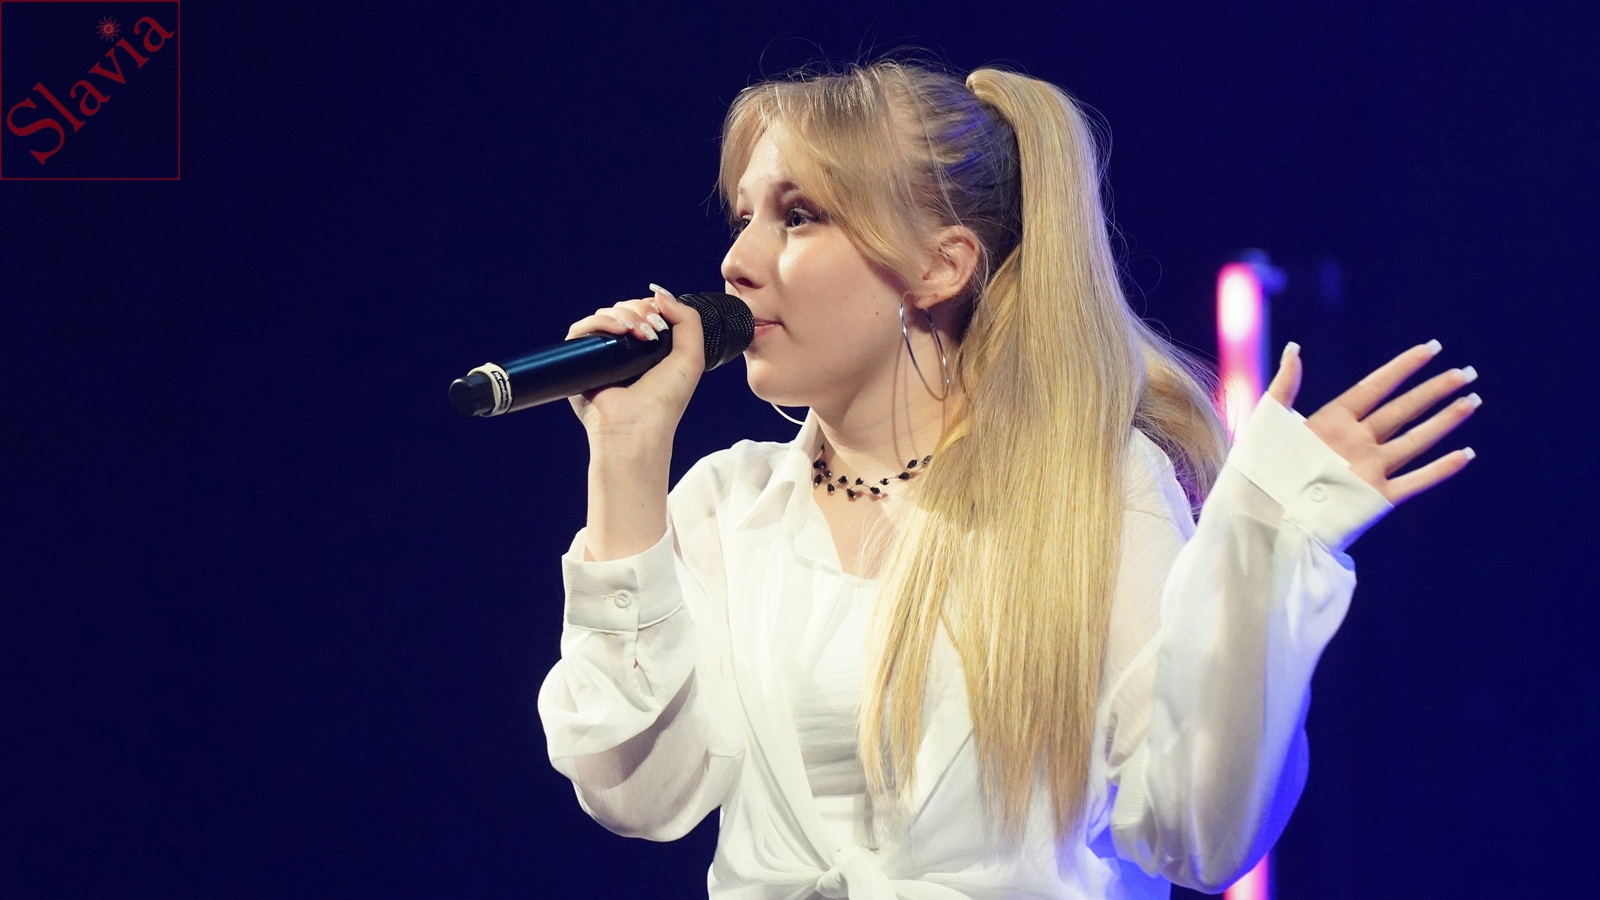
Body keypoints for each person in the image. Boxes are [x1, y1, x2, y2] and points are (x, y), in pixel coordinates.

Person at [536, 61, 1480, 899]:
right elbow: (637, 791)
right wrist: (626, 455)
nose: (737, 263)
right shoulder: (726, 506)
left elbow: (1196, 833)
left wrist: (1264, 540)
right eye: (744, 217)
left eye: (799, 216)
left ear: (940, 266)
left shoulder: (1092, 494)